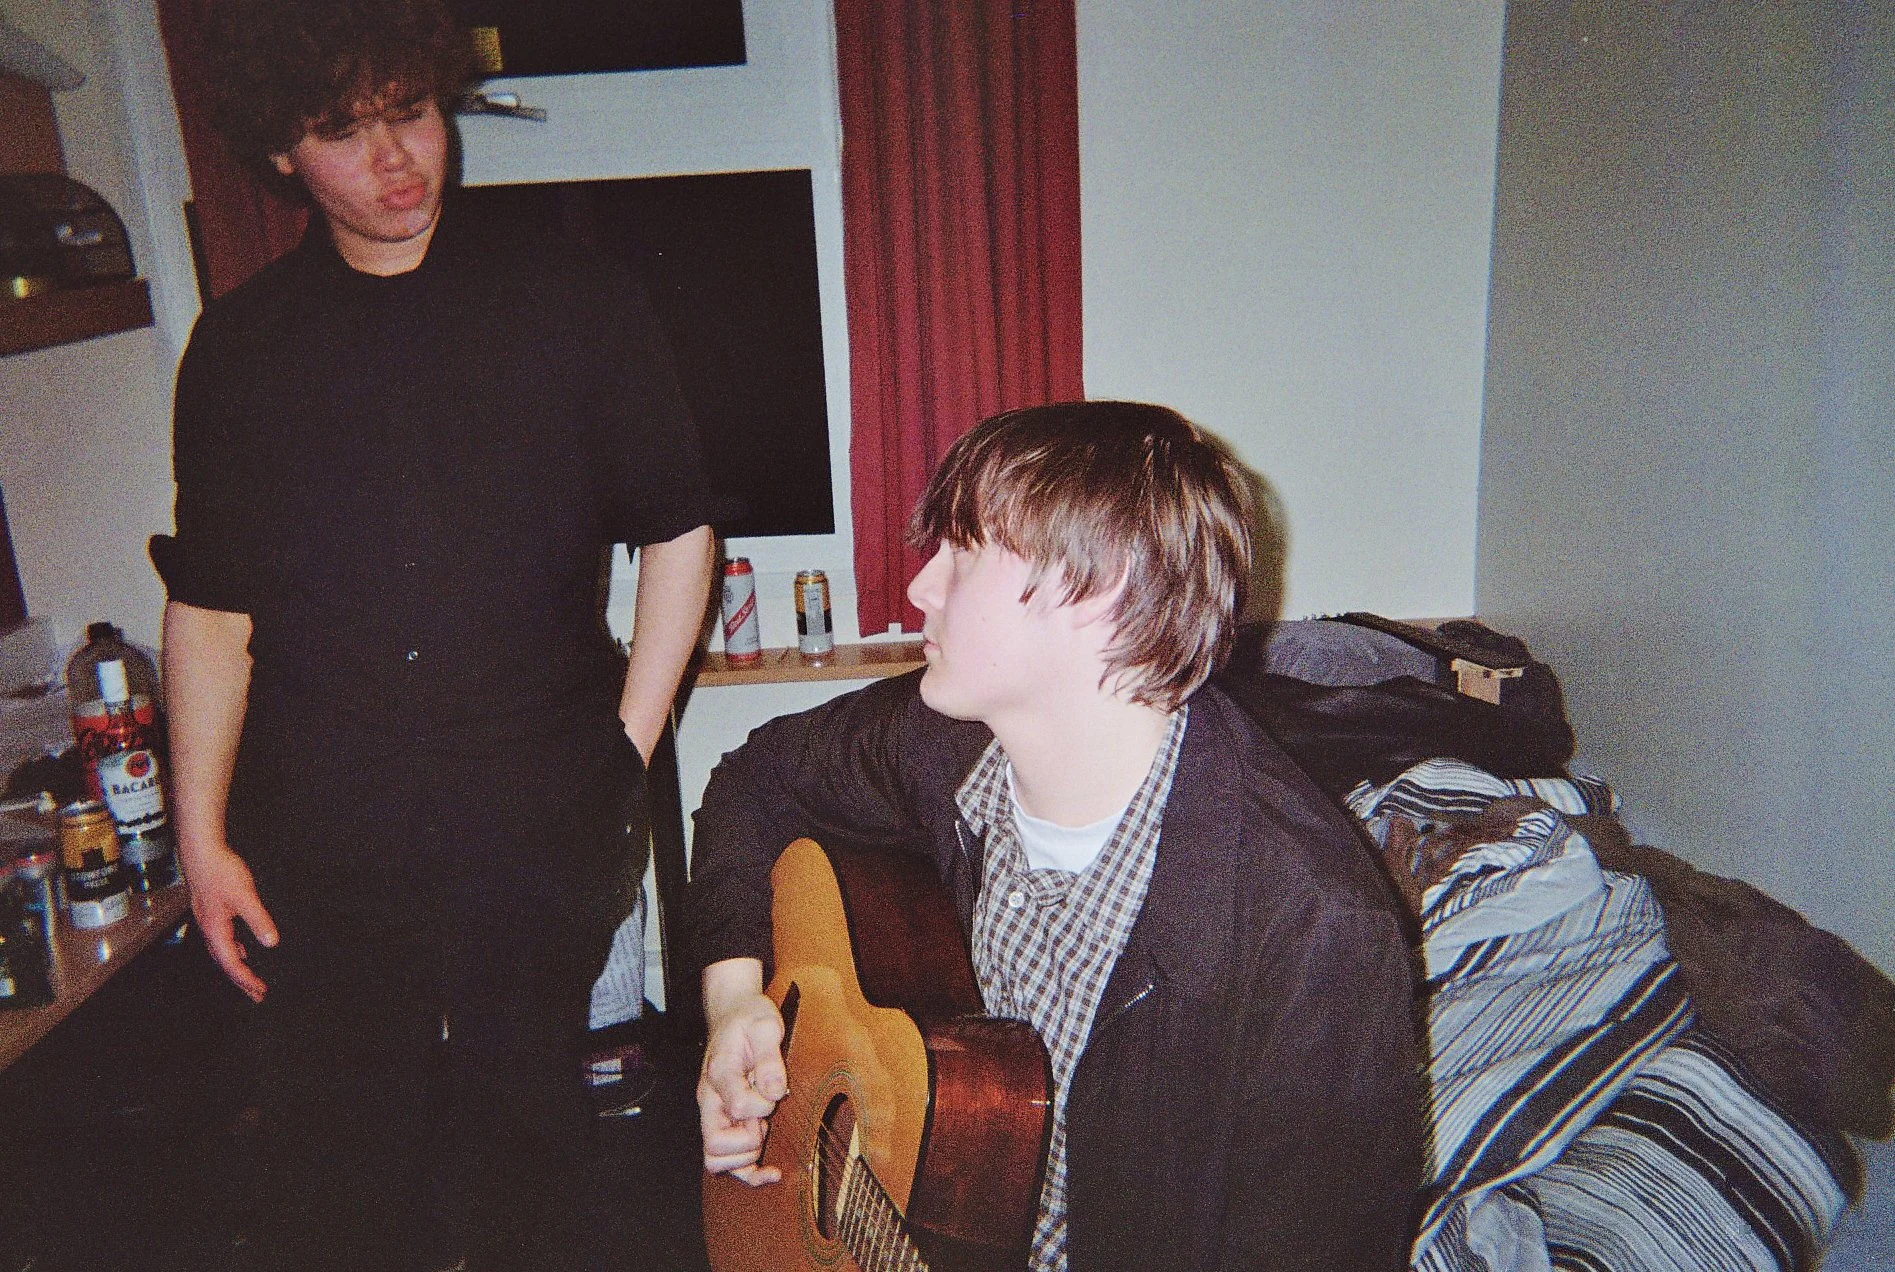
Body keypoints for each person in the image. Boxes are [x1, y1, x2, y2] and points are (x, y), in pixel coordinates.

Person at [149, 1, 719, 1267]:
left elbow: (679, 532)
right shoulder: (239, 351)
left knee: (536, 1163)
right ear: (281, 155)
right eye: (342, 132)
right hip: (325, 829)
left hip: (535, 809)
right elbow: (211, 604)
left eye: (409, 114)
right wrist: (202, 837)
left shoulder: (576, 301)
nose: (396, 159)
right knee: (333, 1171)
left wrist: (620, 758)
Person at [691, 401, 1424, 1271]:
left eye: (962, 555)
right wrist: (734, 1001)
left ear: (1098, 585)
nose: (922, 586)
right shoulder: (946, 741)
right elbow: (757, 778)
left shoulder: (1312, 929)